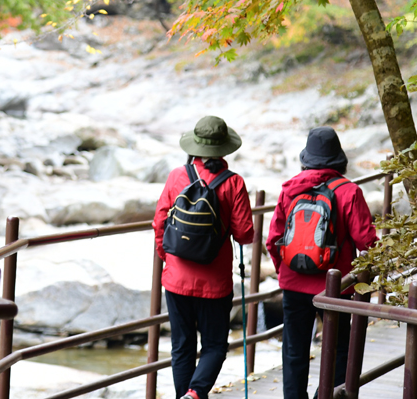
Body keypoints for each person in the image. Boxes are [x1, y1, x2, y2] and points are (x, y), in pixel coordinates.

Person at [266, 126, 379, 399]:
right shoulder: (349, 192)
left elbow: (273, 240)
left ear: (306, 158)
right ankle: (326, 396)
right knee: (340, 348)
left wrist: (286, 273)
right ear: (339, 159)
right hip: (335, 286)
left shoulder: (290, 190)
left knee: (294, 349)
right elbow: (368, 241)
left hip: (294, 285)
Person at [153, 115, 255, 399]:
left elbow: (159, 221)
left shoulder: (177, 176)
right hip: (215, 282)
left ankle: (183, 397)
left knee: (181, 345)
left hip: (176, 279)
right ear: (224, 149)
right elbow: (245, 233)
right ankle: (196, 393)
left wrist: (167, 257)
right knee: (214, 346)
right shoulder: (233, 183)